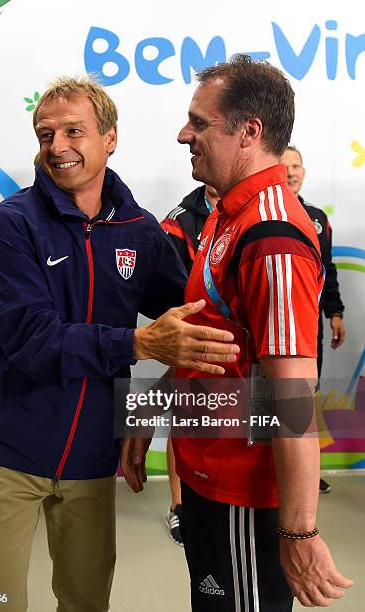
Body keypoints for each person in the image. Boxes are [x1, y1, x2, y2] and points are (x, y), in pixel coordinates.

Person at [0, 76, 240, 612]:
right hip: (8, 451)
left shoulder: (139, 230)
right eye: (46, 135)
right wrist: (139, 345)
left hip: (91, 456)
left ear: (110, 138)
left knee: (87, 600)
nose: (57, 147)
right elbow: (30, 339)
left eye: (74, 131)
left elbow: (187, 316)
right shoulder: (11, 224)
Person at [155, 56, 351, 610]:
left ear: (249, 133)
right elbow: (203, 341)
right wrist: (146, 420)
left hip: (239, 494)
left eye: (199, 122)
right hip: (203, 478)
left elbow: (290, 394)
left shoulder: (273, 237)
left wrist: (299, 533)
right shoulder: (225, 215)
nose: (183, 134)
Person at [281, 145, 346, 494]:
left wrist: (335, 312)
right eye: (285, 165)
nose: (291, 172)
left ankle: (306, 471)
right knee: (276, 394)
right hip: (274, 325)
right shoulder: (264, 213)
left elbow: (327, 269)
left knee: (308, 391)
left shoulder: (318, 218)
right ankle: (274, 469)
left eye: (297, 165)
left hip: (309, 325)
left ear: (304, 171)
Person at [161, 184, 220, 545]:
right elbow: (170, 289)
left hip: (236, 349)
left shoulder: (255, 211)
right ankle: (179, 505)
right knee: (185, 419)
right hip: (193, 339)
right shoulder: (179, 221)